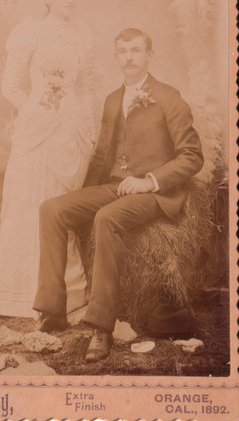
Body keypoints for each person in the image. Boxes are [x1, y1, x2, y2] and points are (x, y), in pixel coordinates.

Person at [33, 27, 204, 361]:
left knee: (107, 217)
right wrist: (82, 199)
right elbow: (101, 158)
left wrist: (150, 180)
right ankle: (53, 310)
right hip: (115, 186)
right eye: (122, 51)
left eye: (136, 51)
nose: (129, 58)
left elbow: (192, 156)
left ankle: (100, 326)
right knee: (51, 208)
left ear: (149, 55)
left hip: (154, 194)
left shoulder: (169, 96)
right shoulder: (113, 99)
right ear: (116, 57)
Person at [0, 0, 96, 318]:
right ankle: (19, 293)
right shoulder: (30, 31)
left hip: (70, 131)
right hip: (37, 131)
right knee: (30, 203)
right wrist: (36, 110)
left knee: (61, 207)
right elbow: (9, 86)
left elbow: (85, 90)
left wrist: (87, 131)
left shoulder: (82, 34)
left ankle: (65, 293)